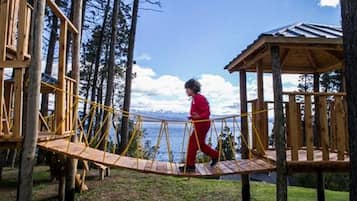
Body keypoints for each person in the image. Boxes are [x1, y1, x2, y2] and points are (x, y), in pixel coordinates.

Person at [179, 79, 219, 172]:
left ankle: (190, 166)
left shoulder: (198, 98)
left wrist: (198, 117)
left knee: (192, 144)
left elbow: (207, 113)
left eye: (187, 89)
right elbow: (199, 113)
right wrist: (192, 117)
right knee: (200, 145)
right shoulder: (195, 98)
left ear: (193, 88)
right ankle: (215, 155)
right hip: (200, 124)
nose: (186, 91)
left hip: (202, 124)